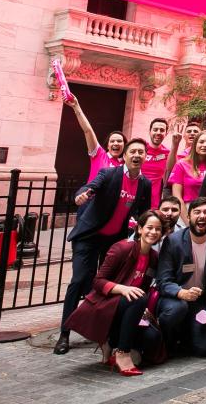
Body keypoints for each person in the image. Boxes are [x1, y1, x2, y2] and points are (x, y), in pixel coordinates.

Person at [54, 139, 152, 355]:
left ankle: (102, 331)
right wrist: (84, 193)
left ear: (146, 157)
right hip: (89, 237)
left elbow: (144, 214)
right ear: (125, 156)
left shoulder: (145, 183)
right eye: (133, 151)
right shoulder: (110, 174)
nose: (137, 155)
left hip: (113, 241)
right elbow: (92, 185)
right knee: (80, 280)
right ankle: (64, 334)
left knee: (107, 283)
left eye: (141, 152)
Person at [63, 210, 166, 376]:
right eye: (149, 227)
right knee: (139, 298)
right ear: (139, 229)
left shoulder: (153, 257)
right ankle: (122, 353)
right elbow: (97, 281)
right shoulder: (122, 248)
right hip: (107, 305)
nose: (153, 232)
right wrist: (123, 289)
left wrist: (144, 309)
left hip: (130, 308)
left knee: (153, 337)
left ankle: (110, 341)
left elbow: (144, 286)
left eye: (158, 229)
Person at [156, 196, 206, 356]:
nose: (202, 216)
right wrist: (181, 293)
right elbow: (163, 281)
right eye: (197, 212)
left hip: (199, 302)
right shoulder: (173, 242)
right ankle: (166, 340)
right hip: (175, 299)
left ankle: (187, 334)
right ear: (188, 217)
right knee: (177, 309)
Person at [63, 95, 124, 182]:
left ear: (124, 145)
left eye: (119, 141)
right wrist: (76, 107)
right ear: (107, 146)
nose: (116, 143)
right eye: (112, 141)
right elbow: (88, 130)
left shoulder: (126, 164)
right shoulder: (99, 154)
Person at [169, 132, 206, 207]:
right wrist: (187, 218)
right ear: (195, 145)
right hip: (187, 208)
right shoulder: (181, 164)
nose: (205, 145)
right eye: (201, 142)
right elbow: (177, 197)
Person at [141, 118, 172, 201]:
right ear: (150, 131)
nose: (158, 132)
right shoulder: (140, 148)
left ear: (166, 133)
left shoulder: (168, 153)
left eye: (162, 130)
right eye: (155, 129)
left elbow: (171, 170)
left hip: (154, 200)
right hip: (134, 195)